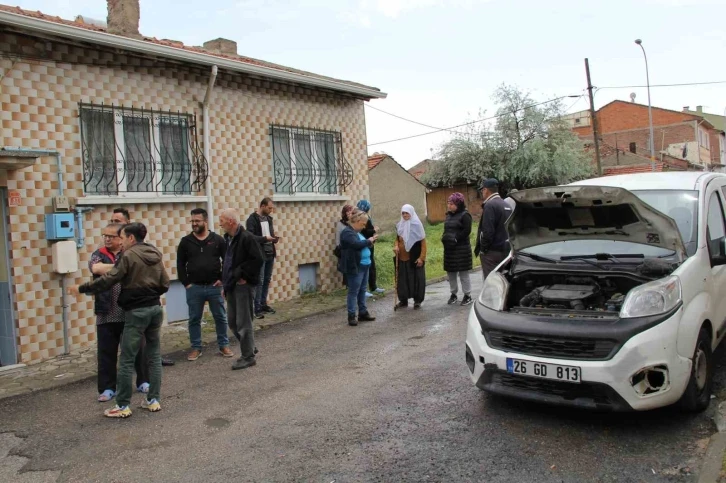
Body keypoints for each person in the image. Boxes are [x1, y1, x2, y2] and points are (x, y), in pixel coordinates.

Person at [70, 223, 170, 418]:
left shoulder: (129, 255)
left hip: (136, 312)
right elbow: (165, 283)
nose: (120, 241)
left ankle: (123, 405)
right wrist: (150, 295)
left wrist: (82, 288)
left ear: (131, 238)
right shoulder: (154, 253)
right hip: (155, 309)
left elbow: (109, 279)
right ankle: (153, 400)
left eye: (122, 237)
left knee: (126, 359)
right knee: (154, 356)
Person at [91, 223, 149, 402]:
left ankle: (143, 381)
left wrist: (115, 267)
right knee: (106, 352)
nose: (107, 239)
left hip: (129, 310)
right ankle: (108, 388)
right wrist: (122, 267)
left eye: (111, 236)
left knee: (137, 348)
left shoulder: (130, 252)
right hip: (106, 312)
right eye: (105, 235)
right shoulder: (98, 254)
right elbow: (96, 269)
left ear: (121, 238)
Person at [111, 208, 175, 367]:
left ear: (127, 224)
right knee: (128, 338)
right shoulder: (111, 244)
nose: (113, 224)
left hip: (141, 301)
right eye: (112, 221)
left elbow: (160, 278)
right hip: (120, 300)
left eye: (117, 221)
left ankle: (148, 364)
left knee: (147, 335)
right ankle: (137, 365)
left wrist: (149, 293)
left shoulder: (140, 248)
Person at [177, 208, 233, 361]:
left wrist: (222, 278)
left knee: (220, 317)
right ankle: (196, 347)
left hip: (214, 287)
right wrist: (186, 283)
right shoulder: (186, 242)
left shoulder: (217, 240)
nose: (194, 224)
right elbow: (180, 264)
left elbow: (227, 260)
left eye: (197, 221)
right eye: (192, 221)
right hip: (194, 287)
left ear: (205, 222)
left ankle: (223, 345)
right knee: (194, 318)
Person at [219, 209, 264, 370]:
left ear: (231, 221)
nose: (220, 223)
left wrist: (244, 275)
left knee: (243, 323)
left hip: (243, 287)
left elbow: (258, 259)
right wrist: (226, 284)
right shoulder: (229, 239)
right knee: (232, 322)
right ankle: (249, 346)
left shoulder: (246, 238)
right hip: (231, 285)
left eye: (222, 220)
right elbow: (228, 263)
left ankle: (248, 356)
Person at [338, 209, 378, 326]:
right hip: (355, 266)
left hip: (364, 265)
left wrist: (370, 242)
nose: (364, 227)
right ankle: (351, 315)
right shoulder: (347, 232)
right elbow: (356, 245)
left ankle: (363, 312)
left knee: (362, 290)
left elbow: (362, 244)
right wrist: (368, 241)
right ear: (358, 221)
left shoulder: (357, 232)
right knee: (353, 291)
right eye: (363, 224)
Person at [246, 198, 280, 320]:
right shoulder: (252, 219)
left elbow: (269, 235)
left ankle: (263, 303)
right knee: (259, 280)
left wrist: (273, 238)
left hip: (270, 252)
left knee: (267, 279)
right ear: (262, 206)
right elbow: (250, 238)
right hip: (259, 254)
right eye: (269, 208)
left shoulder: (269, 219)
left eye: (272, 208)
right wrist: (265, 238)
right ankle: (257, 308)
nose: (271, 210)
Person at [474, 178, 510, 282]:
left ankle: (491, 299)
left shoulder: (490, 205)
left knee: (491, 283)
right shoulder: (506, 204)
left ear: (485, 190)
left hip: (491, 252)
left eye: (482, 190)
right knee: (503, 281)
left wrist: (483, 249)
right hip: (505, 250)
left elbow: (488, 231)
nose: (482, 193)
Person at [442, 193, 474, 306]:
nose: (449, 205)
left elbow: (467, 231)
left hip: (461, 249)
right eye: (448, 203)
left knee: (463, 273)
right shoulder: (449, 215)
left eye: (452, 203)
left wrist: (456, 239)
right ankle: (453, 294)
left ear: (458, 204)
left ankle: (467, 295)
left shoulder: (465, 215)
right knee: (451, 273)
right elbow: (447, 229)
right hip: (449, 250)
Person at [394, 204, 427, 309]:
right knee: (402, 281)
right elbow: (397, 239)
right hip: (402, 258)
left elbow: (423, 243)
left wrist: (421, 258)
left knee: (417, 280)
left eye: (406, 213)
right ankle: (403, 300)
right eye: (403, 213)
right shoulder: (400, 225)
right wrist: (396, 247)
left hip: (414, 258)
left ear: (411, 213)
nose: (405, 215)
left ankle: (417, 301)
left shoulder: (417, 225)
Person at [356, 200, 385, 297]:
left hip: (369, 243)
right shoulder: (361, 218)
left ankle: (373, 286)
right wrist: (374, 230)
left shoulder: (365, 216)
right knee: (366, 266)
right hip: (365, 243)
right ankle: (364, 289)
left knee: (371, 265)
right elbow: (364, 231)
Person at [335, 205, 354, 287]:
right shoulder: (340, 224)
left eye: (351, 211)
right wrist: (339, 247)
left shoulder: (353, 222)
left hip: (353, 247)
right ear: (344, 213)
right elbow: (338, 237)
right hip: (344, 248)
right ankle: (347, 284)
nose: (349, 213)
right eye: (348, 212)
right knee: (346, 267)